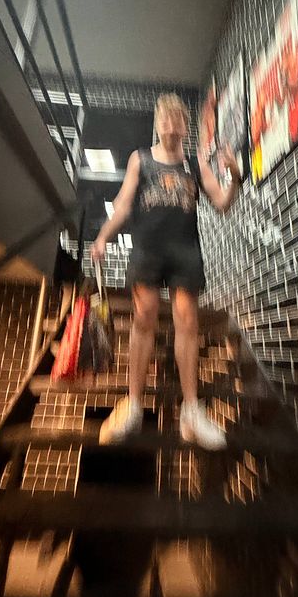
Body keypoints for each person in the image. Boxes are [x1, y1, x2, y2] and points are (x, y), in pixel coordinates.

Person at [91, 93, 241, 449]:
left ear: (186, 127)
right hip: (148, 250)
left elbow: (222, 203)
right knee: (144, 316)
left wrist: (235, 176)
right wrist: (102, 237)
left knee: (187, 321)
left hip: (185, 252)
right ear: (157, 125)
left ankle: (191, 411)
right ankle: (134, 406)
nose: (171, 126)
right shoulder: (140, 159)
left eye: (178, 120)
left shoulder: (194, 164)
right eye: (165, 119)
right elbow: (124, 205)